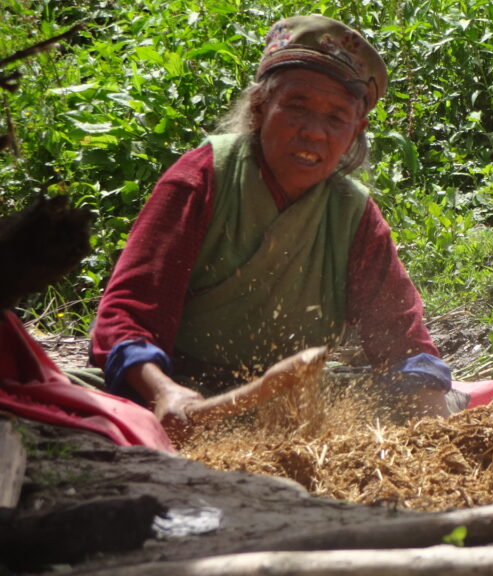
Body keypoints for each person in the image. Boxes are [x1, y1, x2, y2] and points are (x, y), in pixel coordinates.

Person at [89, 15, 459, 438]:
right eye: (296, 106)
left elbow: (403, 342)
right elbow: (126, 314)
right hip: (177, 395)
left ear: (358, 129)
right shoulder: (204, 178)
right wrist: (165, 394)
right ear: (261, 106)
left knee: (406, 401)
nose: (313, 132)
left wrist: (437, 435)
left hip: (290, 404)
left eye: (337, 117)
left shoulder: (352, 215)